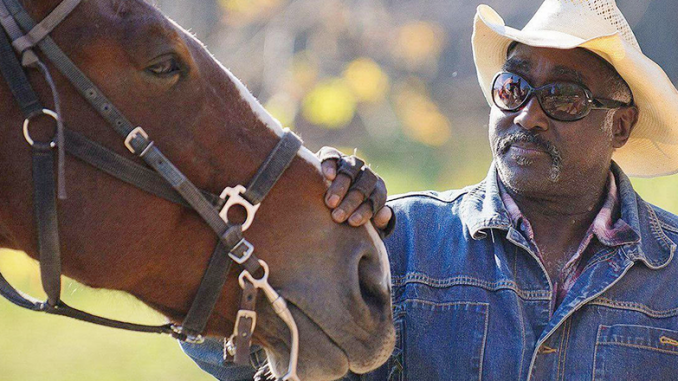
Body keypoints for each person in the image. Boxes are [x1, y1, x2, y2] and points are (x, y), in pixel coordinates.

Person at [182, 0, 678, 379]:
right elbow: (227, 352)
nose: (527, 116)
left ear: (621, 126)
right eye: (513, 88)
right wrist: (298, 229)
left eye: (564, 98)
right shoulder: (401, 242)